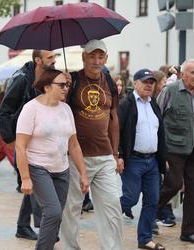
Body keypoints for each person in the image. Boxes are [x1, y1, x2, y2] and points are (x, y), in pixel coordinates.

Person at [61, 39, 124, 250]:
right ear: (84, 57)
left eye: (100, 56)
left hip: (105, 155)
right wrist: (65, 88)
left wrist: (116, 153)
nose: (96, 61)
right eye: (92, 56)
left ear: (105, 58)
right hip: (76, 157)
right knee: (72, 208)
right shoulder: (73, 81)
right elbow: (60, 112)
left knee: (112, 205)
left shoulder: (110, 82)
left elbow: (114, 118)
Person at [16, 68, 89, 250]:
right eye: (62, 85)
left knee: (55, 216)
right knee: (53, 212)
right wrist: (25, 178)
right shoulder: (31, 109)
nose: (66, 88)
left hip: (62, 170)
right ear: (47, 87)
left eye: (67, 85)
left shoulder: (66, 109)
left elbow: (74, 145)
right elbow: (20, 146)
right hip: (38, 168)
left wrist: (83, 173)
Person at [0, 50, 56, 240]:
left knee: (35, 182)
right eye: (50, 57)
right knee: (37, 179)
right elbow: (5, 110)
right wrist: (13, 141)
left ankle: (23, 226)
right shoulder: (22, 79)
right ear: (38, 60)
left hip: (40, 139)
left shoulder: (48, 78)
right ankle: (45, 228)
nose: (54, 60)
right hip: (23, 140)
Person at [118, 69, 166, 250]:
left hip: (152, 161)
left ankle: (145, 239)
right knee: (130, 198)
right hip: (134, 160)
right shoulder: (127, 104)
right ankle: (108, 218)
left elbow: (160, 134)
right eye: (145, 81)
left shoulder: (154, 105)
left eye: (152, 82)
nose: (149, 85)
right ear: (135, 83)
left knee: (152, 200)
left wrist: (163, 159)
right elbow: (118, 131)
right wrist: (119, 155)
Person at [156, 59, 194, 244]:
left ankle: (187, 231)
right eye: (193, 72)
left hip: (193, 148)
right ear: (183, 74)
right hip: (174, 147)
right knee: (174, 184)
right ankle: (152, 212)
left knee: (193, 190)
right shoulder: (170, 91)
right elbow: (157, 115)